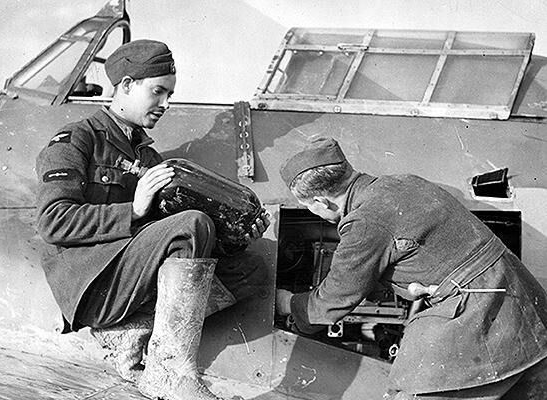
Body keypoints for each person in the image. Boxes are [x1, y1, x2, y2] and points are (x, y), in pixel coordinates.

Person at [36, 39, 269, 400]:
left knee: (250, 269)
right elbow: (53, 222)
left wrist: (237, 236)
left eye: (170, 95)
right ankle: (169, 372)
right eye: (158, 92)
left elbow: (182, 243)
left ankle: (132, 333)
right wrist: (135, 209)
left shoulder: (148, 155)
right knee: (191, 224)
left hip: (129, 273)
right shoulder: (76, 140)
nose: (165, 104)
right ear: (126, 85)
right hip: (91, 280)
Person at [275, 137, 547, 400]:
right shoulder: (404, 181)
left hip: (480, 313)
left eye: (308, 206)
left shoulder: (363, 222)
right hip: (527, 305)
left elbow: (331, 303)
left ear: (322, 202)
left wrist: (288, 304)